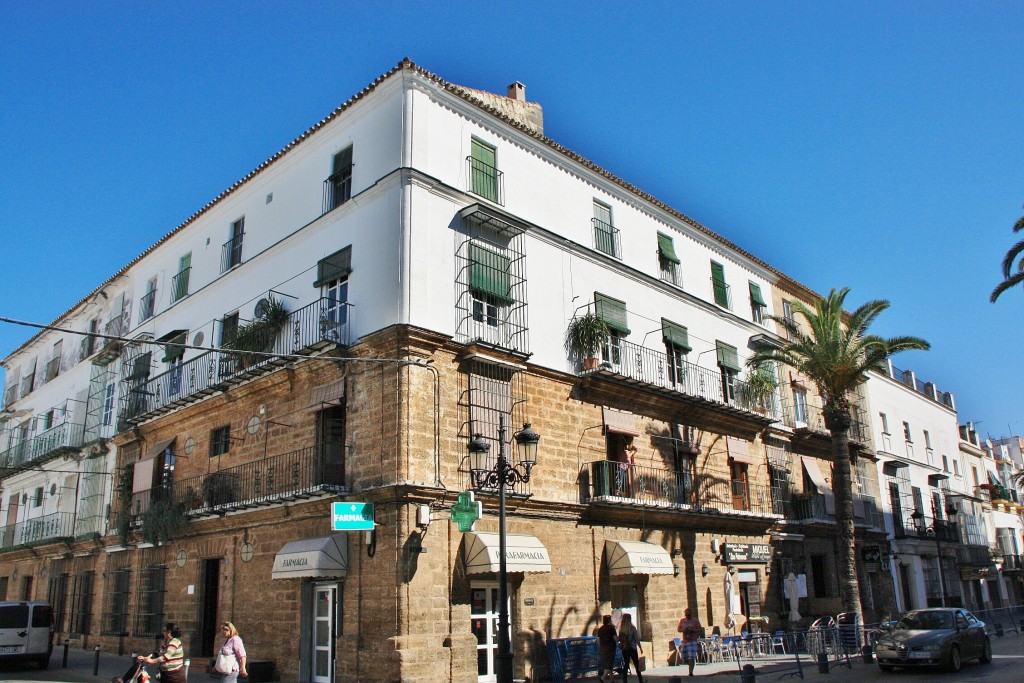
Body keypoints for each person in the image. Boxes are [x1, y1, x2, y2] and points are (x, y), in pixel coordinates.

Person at [617, 613, 643, 683]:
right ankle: (640, 680)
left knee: (626, 664)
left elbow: (619, 639)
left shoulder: (621, 629)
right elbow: (636, 639)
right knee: (636, 665)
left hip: (625, 649)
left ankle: (625, 680)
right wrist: (640, 647)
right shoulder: (632, 628)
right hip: (632, 648)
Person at [677, 607, 703, 677]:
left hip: (692, 640)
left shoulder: (695, 620)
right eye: (686, 615)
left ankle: (690, 672)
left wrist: (693, 630)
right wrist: (683, 630)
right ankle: (691, 665)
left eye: (689, 615)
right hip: (685, 641)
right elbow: (678, 629)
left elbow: (700, 629)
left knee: (691, 657)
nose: (687, 616)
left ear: (691, 614)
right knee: (684, 658)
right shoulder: (682, 621)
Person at [596, 614, 618, 683]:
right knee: (609, 665)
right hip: (610, 648)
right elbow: (615, 639)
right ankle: (602, 678)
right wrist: (619, 639)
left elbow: (598, 640)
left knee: (608, 664)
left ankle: (612, 680)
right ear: (609, 620)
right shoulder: (611, 628)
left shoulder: (601, 628)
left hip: (603, 648)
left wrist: (600, 647)